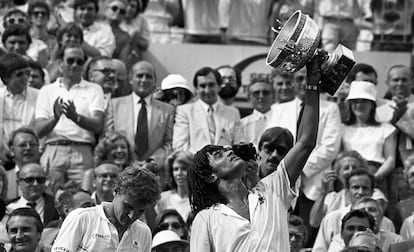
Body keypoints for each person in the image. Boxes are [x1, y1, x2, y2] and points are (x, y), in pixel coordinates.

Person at [188, 55, 321, 251]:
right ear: (210, 176)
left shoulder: (273, 188)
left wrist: (312, 83)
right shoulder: (206, 218)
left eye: (226, 149)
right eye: (219, 155)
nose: (228, 152)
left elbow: (305, 142)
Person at [268, 65, 341, 245]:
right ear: (293, 81)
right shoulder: (278, 109)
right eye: (299, 79)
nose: (302, 83)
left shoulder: (330, 108)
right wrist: (287, 170)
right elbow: (271, 142)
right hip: (283, 181)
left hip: (314, 183)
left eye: (306, 79)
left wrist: (299, 168)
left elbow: (330, 147)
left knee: (309, 234)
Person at [34, 44, 105, 185]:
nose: (75, 65)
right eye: (70, 60)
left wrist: (76, 117)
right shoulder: (47, 90)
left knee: (83, 198)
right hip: (53, 149)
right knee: (50, 197)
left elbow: (97, 125)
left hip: (82, 149)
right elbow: (39, 131)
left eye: (79, 61)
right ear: (61, 63)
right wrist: (55, 118)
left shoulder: (94, 89)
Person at [51, 167, 161, 252]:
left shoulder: (144, 232)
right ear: (116, 191)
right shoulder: (81, 218)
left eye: (140, 211)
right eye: (128, 207)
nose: (132, 216)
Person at [110, 60, 174, 174]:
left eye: (148, 77)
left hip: (154, 173)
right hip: (122, 170)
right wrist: (127, 161)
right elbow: (107, 138)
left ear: (155, 81)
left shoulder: (167, 110)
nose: (144, 80)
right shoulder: (114, 105)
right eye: (140, 76)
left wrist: (153, 163)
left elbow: (168, 143)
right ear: (130, 79)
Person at [313, 169, 395, 252]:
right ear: (347, 191)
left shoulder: (386, 222)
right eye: (356, 187)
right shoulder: (332, 219)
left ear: (372, 191)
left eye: (365, 188)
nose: (360, 192)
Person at [341, 81, 397, 196]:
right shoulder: (342, 128)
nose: (359, 105)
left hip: (376, 177)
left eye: (364, 101)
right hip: (348, 177)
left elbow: (390, 160)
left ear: (372, 104)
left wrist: (375, 177)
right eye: (355, 102)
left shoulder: (386, 129)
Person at [173, 66, 244, 153]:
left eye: (211, 85)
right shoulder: (185, 112)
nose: (207, 90)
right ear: (196, 89)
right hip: (195, 164)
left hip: (225, 165)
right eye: (202, 86)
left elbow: (239, 145)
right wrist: (202, 161)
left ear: (219, 87)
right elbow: (180, 146)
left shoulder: (233, 113)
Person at [0, 54, 38, 172]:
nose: (25, 77)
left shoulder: (39, 95)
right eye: (19, 74)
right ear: (6, 78)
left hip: (29, 156)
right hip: (3, 156)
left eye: (27, 73)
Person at [6, 163, 59, 227]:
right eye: (29, 180)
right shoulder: (8, 208)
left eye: (40, 180)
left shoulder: (56, 205)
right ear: (19, 183)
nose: (35, 184)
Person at [5, 128, 41, 202]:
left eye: (32, 144)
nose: (28, 148)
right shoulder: (5, 179)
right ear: (12, 150)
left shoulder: (49, 179)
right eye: (22, 145)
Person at [155, 151, 192, 220]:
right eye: (175, 169)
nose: (179, 173)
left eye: (184, 169)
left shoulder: (199, 199)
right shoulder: (163, 198)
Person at [241, 78, 275, 147]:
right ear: (249, 97)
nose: (261, 96)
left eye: (265, 92)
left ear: (273, 96)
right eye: (256, 93)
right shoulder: (241, 124)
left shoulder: (282, 119)